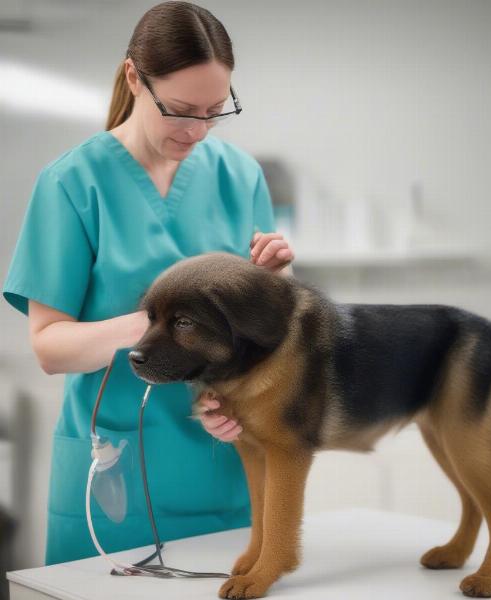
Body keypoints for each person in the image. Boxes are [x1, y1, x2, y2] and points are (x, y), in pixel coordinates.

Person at [2, 1, 294, 566]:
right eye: (181, 110)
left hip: (225, 473)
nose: (197, 130)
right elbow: (49, 347)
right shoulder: (72, 183)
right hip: (117, 480)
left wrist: (275, 294)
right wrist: (166, 324)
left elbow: (261, 341)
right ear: (135, 77)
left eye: (214, 111)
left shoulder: (241, 176)